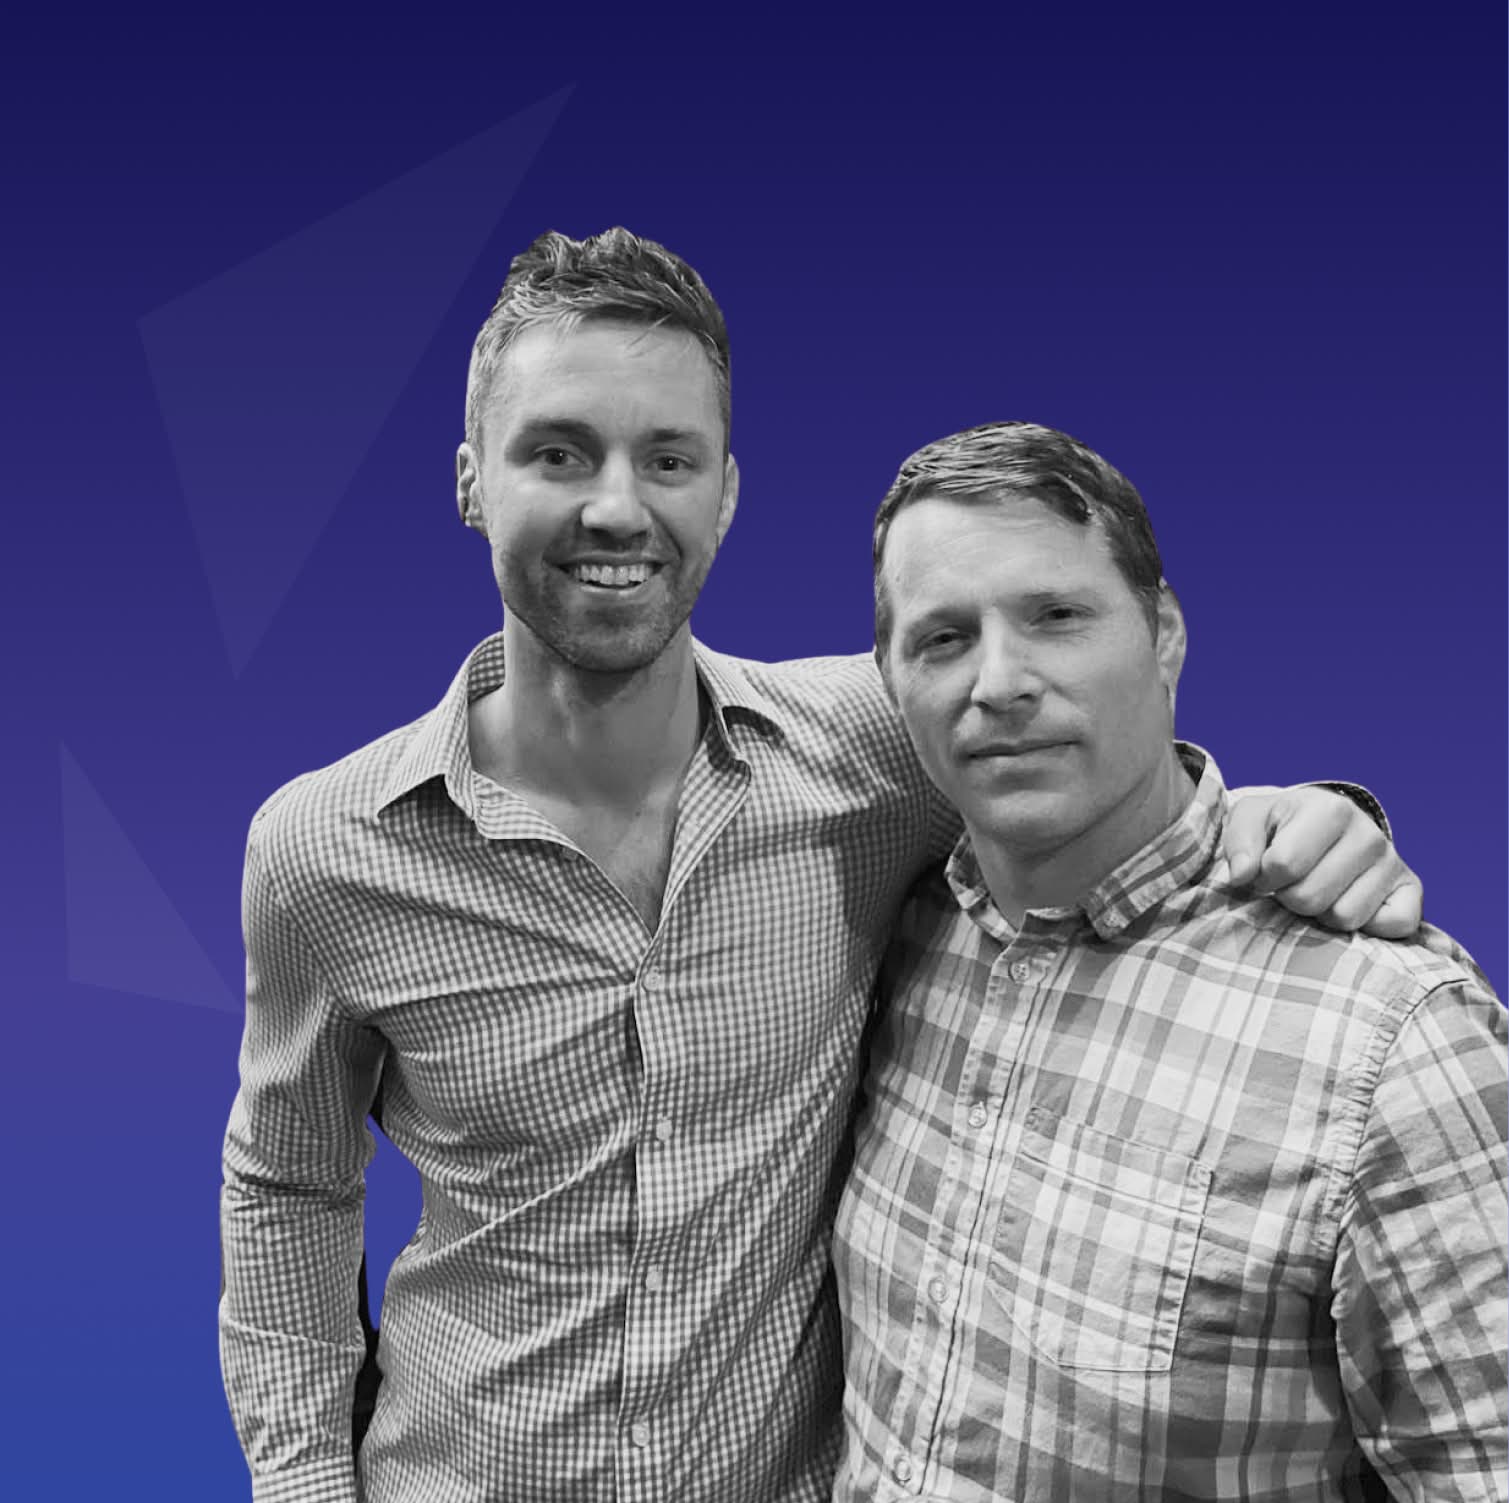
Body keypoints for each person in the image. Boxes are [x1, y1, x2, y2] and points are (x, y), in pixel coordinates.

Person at [219, 231, 1424, 1503]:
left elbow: (1087, 770)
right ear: (472, 480)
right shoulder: (324, 851)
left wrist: (1303, 816)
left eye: (668, 459)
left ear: (726, 495)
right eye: (558, 451)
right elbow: (287, 1185)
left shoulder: (876, 746)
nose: (618, 506)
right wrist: (302, 1486)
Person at [833, 421, 1506, 1502]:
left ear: (1165, 635)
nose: (998, 682)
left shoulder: (1393, 1043)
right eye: (943, 639)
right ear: (890, 679)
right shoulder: (894, 933)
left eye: (1056, 617)